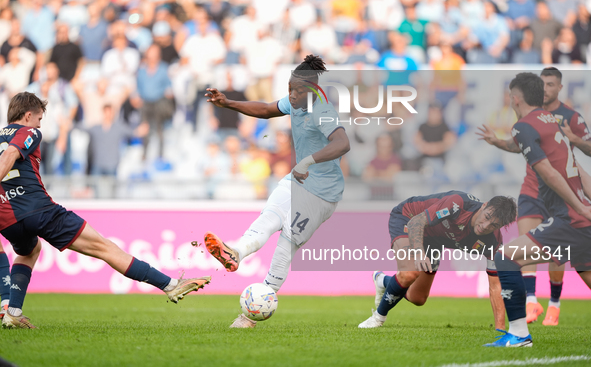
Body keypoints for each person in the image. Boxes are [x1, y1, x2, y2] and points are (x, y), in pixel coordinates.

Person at [0, 92, 210, 329]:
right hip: (39, 210)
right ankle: (171, 285)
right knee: (105, 247)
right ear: (28, 116)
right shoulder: (30, 132)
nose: (40, 124)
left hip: (7, 218)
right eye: (39, 118)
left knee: (29, 250)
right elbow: (10, 154)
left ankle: (12, 311)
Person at [203, 55, 350, 328]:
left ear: (311, 91)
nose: (290, 95)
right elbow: (267, 109)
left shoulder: (323, 110)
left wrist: (307, 160)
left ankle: (249, 317)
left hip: (322, 194)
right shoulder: (296, 100)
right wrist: (228, 103)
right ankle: (236, 251)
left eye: (295, 91)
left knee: (285, 244)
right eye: (289, 88)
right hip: (298, 181)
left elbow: (342, 143)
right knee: (269, 216)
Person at [482, 73, 591, 347]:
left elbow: (551, 174)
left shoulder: (523, 125)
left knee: (504, 258)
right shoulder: (550, 120)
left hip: (569, 220)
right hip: (580, 219)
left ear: (515, 98)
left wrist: (579, 208)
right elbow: (577, 169)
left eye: (510, 96)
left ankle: (519, 335)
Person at [357, 191, 516, 329]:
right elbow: (416, 222)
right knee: (410, 272)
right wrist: (419, 253)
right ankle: (377, 318)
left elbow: (495, 287)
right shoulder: (457, 204)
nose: (485, 226)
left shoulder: (494, 242)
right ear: (484, 205)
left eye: (493, 225)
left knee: (417, 298)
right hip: (408, 218)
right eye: (487, 217)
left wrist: (500, 330)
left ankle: (382, 280)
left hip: (435, 239)